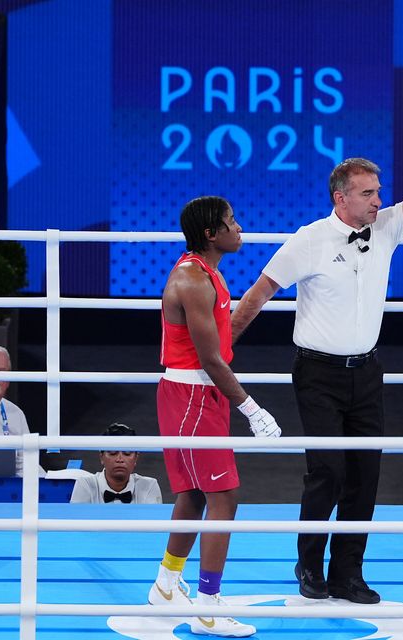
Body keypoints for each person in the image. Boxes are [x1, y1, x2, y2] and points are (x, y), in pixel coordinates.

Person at [231, 77, 403, 605]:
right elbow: (258, 294)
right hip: (317, 373)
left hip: (368, 372)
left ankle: (348, 575)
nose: (378, 201)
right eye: (368, 193)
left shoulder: (385, 227)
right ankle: (308, 566)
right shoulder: (309, 239)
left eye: (378, 192)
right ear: (341, 197)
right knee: (328, 471)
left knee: (366, 474)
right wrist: (220, 352)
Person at [148, 196, 281, 638]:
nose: (239, 228)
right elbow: (210, 359)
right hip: (193, 396)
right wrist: (251, 408)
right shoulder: (192, 280)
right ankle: (206, 607)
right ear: (211, 234)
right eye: (231, 222)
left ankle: (167, 585)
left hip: (194, 396)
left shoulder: (207, 272)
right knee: (223, 497)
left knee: (193, 494)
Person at [69, 423, 162, 504]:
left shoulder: (149, 486)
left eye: (127, 453)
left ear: (136, 457)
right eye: (113, 453)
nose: (120, 459)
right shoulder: (85, 485)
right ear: (101, 456)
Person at [0, 345, 37, 477]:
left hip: (6, 488)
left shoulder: (15, 414)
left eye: (1, 372)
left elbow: (26, 464)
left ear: (8, 380)